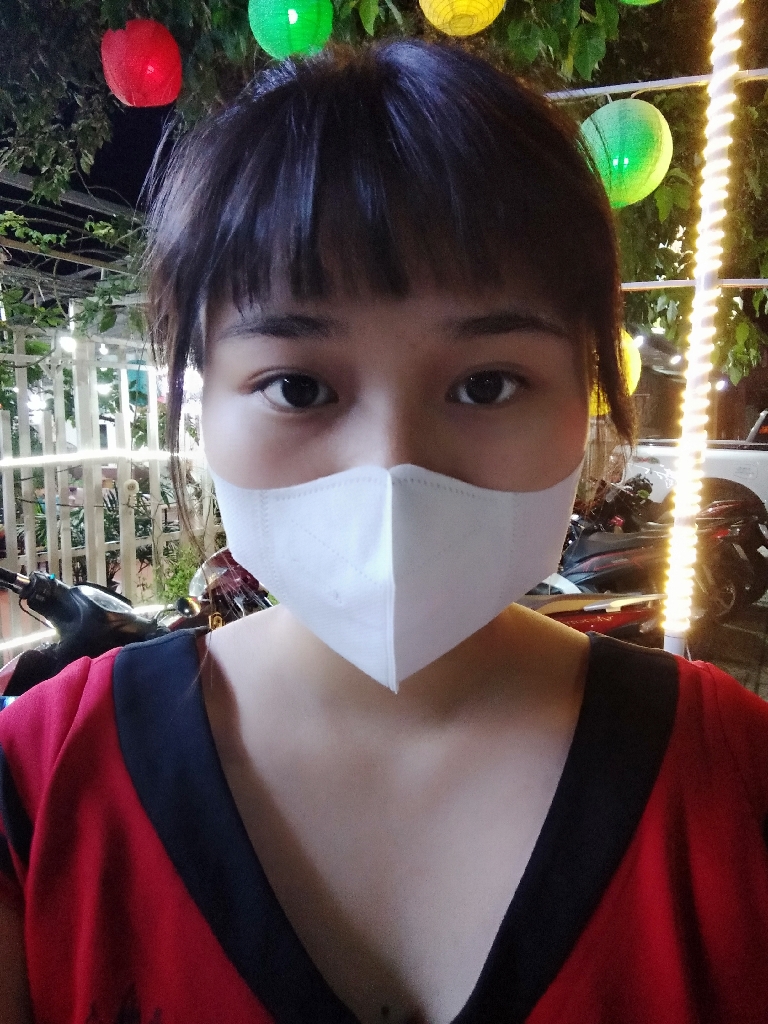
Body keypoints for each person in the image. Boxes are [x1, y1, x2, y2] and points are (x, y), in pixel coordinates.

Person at [2, 40, 768, 1024]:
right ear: (200, 409)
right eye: (298, 386)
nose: (393, 468)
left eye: (487, 384)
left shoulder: (736, 783)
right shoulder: (36, 792)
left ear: (586, 400)